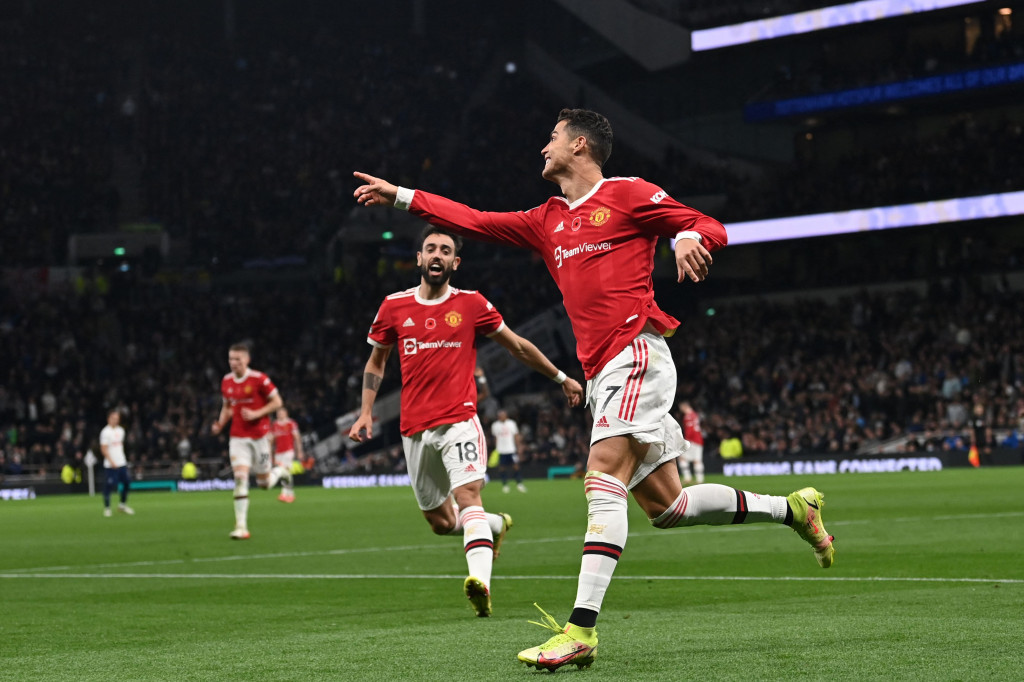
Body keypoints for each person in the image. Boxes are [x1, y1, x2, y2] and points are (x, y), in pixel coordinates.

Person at [354, 108, 835, 670]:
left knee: (603, 474)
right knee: (668, 507)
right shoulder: (547, 219)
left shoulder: (628, 194)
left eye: (552, 139)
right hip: (602, 372)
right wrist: (403, 196)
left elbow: (711, 226)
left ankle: (580, 630)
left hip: (636, 353)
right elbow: (476, 219)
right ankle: (794, 510)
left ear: (579, 145)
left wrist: (684, 238)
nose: (543, 148)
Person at [348, 225, 584, 618]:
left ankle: (481, 583)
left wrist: (561, 377)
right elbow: (377, 361)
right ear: (419, 259)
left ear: (455, 262)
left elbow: (519, 347)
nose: (436, 255)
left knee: (467, 497)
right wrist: (366, 411)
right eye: (430, 249)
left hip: (460, 419)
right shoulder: (393, 307)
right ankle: (493, 524)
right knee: (441, 522)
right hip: (414, 429)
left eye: (445, 250)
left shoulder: (472, 304)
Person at [211, 343, 292, 539]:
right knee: (240, 478)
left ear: (247, 360)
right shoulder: (226, 381)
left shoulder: (259, 379)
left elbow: (277, 402)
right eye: (231, 359)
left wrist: (257, 413)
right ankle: (241, 527)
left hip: (260, 437)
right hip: (238, 437)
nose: (233, 363)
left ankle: (281, 471)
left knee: (264, 484)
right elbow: (228, 407)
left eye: (238, 359)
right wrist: (220, 423)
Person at [99, 409, 133, 517]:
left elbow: (119, 447)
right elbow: (103, 449)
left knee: (127, 483)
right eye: (113, 418)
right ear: (108, 419)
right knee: (109, 485)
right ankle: (107, 508)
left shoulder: (121, 431)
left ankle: (122, 505)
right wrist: (112, 462)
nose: (115, 421)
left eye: (117, 419)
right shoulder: (105, 432)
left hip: (121, 463)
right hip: (111, 465)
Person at [270, 406, 302, 503]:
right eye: (278, 413)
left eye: (281, 413)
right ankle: (290, 494)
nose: (280, 414)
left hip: (288, 451)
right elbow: (272, 440)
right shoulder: (275, 425)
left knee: (285, 469)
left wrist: (299, 451)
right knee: (285, 473)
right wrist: (270, 453)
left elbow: (297, 438)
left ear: (286, 413)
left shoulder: (291, 423)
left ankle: (284, 493)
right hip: (278, 452)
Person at [491, 409, 526, 493]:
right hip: (501, 450)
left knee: (516, 466)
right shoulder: (495, 425)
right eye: (500, 415)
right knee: (502, 467)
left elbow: (516, 436)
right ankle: (505, 485)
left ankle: (519, 484)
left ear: (506, 416)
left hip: (511, 449)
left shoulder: (512, 423)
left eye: (503, 415)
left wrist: (518, 447)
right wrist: (496, 449)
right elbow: (495, 438)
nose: (502, 417)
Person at [676, 401, 704, 484]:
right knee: (697, 460)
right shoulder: (695, 414)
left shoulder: (688, 417)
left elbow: (690, 429)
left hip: (692, 440)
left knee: (682, 458)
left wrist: (686, 440)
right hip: (699, 439)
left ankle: (688, 477)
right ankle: (700, 479)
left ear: (684, 407)